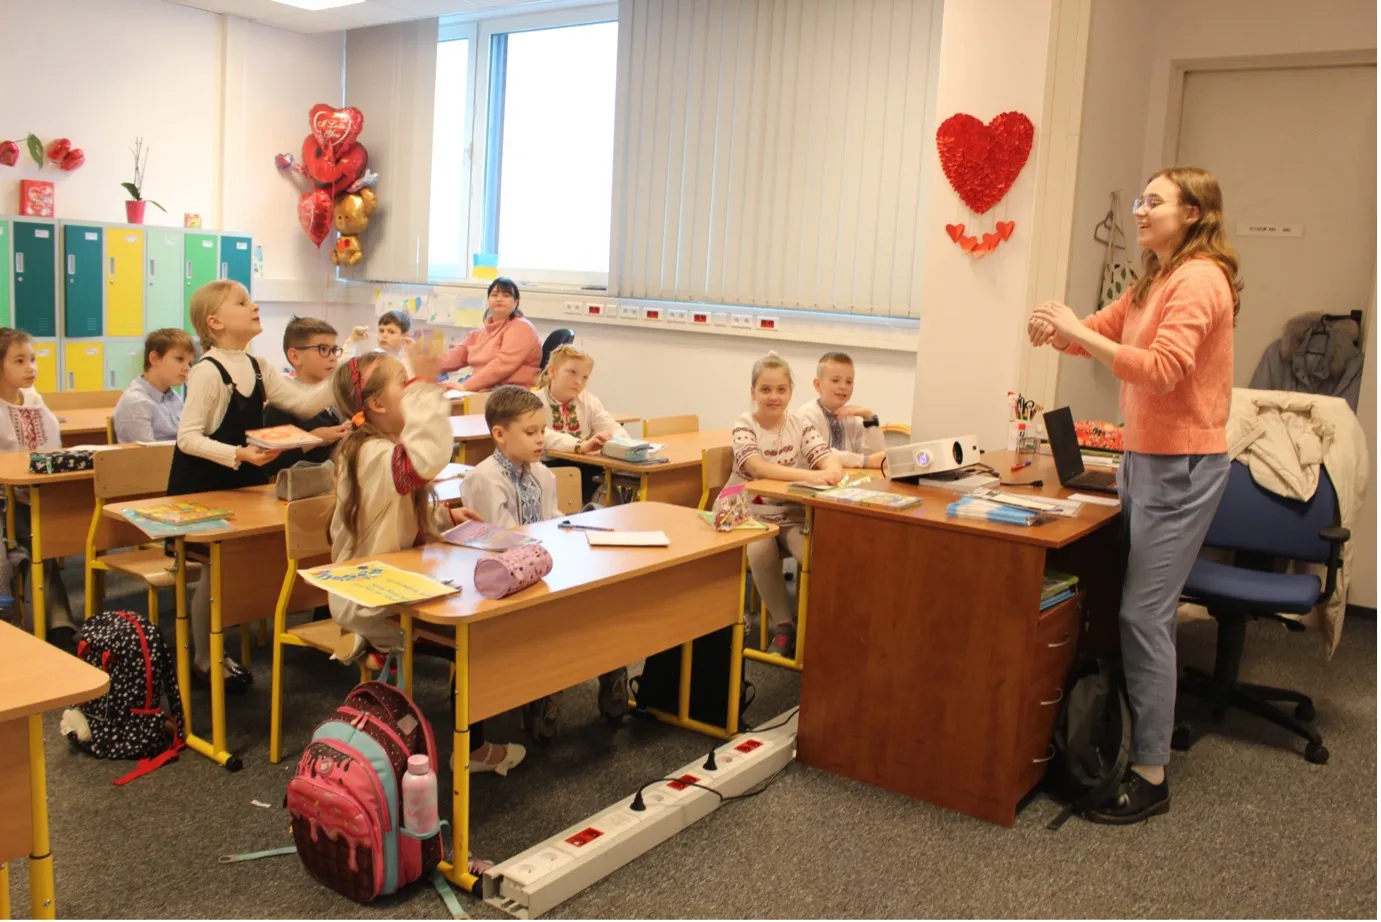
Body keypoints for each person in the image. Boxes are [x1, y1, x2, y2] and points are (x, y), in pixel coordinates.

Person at [1027, 165, 1239, 824]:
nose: (1140, 211)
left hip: (1180, 468)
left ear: (1195, 213)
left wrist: (1079, 332)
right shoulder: (1153, 278)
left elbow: (1159, 370)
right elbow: (1097, 332)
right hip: (1145, 461)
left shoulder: (1199, 280)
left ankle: (1151, 774)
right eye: (1139, 200)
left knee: (1143, 617)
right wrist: (1053, 329)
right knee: (1127, 604)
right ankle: (1140, 719)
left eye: (1155, 201)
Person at [328, 345, 525, 776]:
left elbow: (394, 506)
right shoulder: (366, 452)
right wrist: (427, 389)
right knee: (476, 635)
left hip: (399, 584)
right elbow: (420, 462)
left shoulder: (382, 446)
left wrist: (443, 515)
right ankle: (469, 747)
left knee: (487, 616)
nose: (413, 387)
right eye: (404, 383)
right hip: (370, 600)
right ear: (377, 404)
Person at [170, 280, 335, 692]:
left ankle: (218, 649)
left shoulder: (258, 365)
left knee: (243, 567)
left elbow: (304, 404)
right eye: (242, 303)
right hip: (204, 485)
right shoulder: (207, 371)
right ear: (216, 321)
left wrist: (346, 376)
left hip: (242, 483)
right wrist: (238, 454)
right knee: (214, 574)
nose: (255, 306)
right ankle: (205, 659)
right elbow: (187, 437)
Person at [464, 385, 630, 739]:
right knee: (559, 614)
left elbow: (554, 519)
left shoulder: (542, 474)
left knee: (605, 596)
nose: (542, 439)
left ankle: (611, 666)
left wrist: (577, 530)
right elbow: (499, 540)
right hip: (500, 581)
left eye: (543, 430)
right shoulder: (484, 479)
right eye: (531, 432)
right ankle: (547, 689)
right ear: (499, 434)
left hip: (541, 568)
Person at [716, 352, 841, 657]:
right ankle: (783, 625)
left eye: (781, 390)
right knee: (760, 547)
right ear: (753, 392)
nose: (774, 397)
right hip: (743, 511)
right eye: (765, 390)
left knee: (814, 549)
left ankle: (821, 625)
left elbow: (824, 454)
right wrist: (809, 475)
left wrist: (833, 469)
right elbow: (757, 468)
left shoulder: (799, 421)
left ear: (791, 392)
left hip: (785, 512)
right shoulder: (745, 424)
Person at [0, 327, 74, 635]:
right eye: (19, 361)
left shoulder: (33, 400)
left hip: (29, 496)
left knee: (43, 532)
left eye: (32, 359)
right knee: (32, 534)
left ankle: (58, 622)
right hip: (5, 500)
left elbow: (49, 449)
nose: (31, 367)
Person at [264, 316, 368, 468]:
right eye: (323, 349)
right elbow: (272, 463)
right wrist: (313, 439)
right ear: (295, 356)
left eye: (334, 350)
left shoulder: (336, 397)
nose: (332, 357)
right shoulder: (280, 406)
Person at [532, 343, 630, 503]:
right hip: (547, 467)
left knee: (605, 480)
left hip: (585, 466)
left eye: (585, 377)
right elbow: (544, 436)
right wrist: (580, 446)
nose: (578, 382)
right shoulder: (534, 402)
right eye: (572, 373)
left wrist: (613, 441)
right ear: (552, 371)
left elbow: (614, 428)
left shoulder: (589, 402)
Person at [438, 278, 541, 390]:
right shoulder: (477, 334)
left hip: (512, 394)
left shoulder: (522, 327)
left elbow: (502, 365)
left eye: (506, 295)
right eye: (494, 295)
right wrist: (421, 364)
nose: (499, 299)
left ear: (516, 302)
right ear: (488, 300)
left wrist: (466, 386)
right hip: (482, 390)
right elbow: (452, 358)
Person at [794, 352, 886, 469]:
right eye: (835, 380)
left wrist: (868, 417)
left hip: (849, 482)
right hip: (814, 482)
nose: (843, 386)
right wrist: (864, 461)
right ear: (817, 385)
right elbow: (822, 454)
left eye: (849, 382)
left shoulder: (854, 418)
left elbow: (878, 457)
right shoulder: (806, 416)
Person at [112, 328, 195, 443]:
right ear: (154, 358)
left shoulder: (174, 397)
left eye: (190, 363)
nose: (187, 368)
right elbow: (149, 455)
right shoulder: (136, 402)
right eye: (179, 359)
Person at [376, 310, 414, 377]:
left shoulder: (405, 362)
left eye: (391, 332)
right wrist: (353, 340)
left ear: (405, 336)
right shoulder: (373, 358)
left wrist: (410, 355)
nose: (384, 335)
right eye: (381, 331)